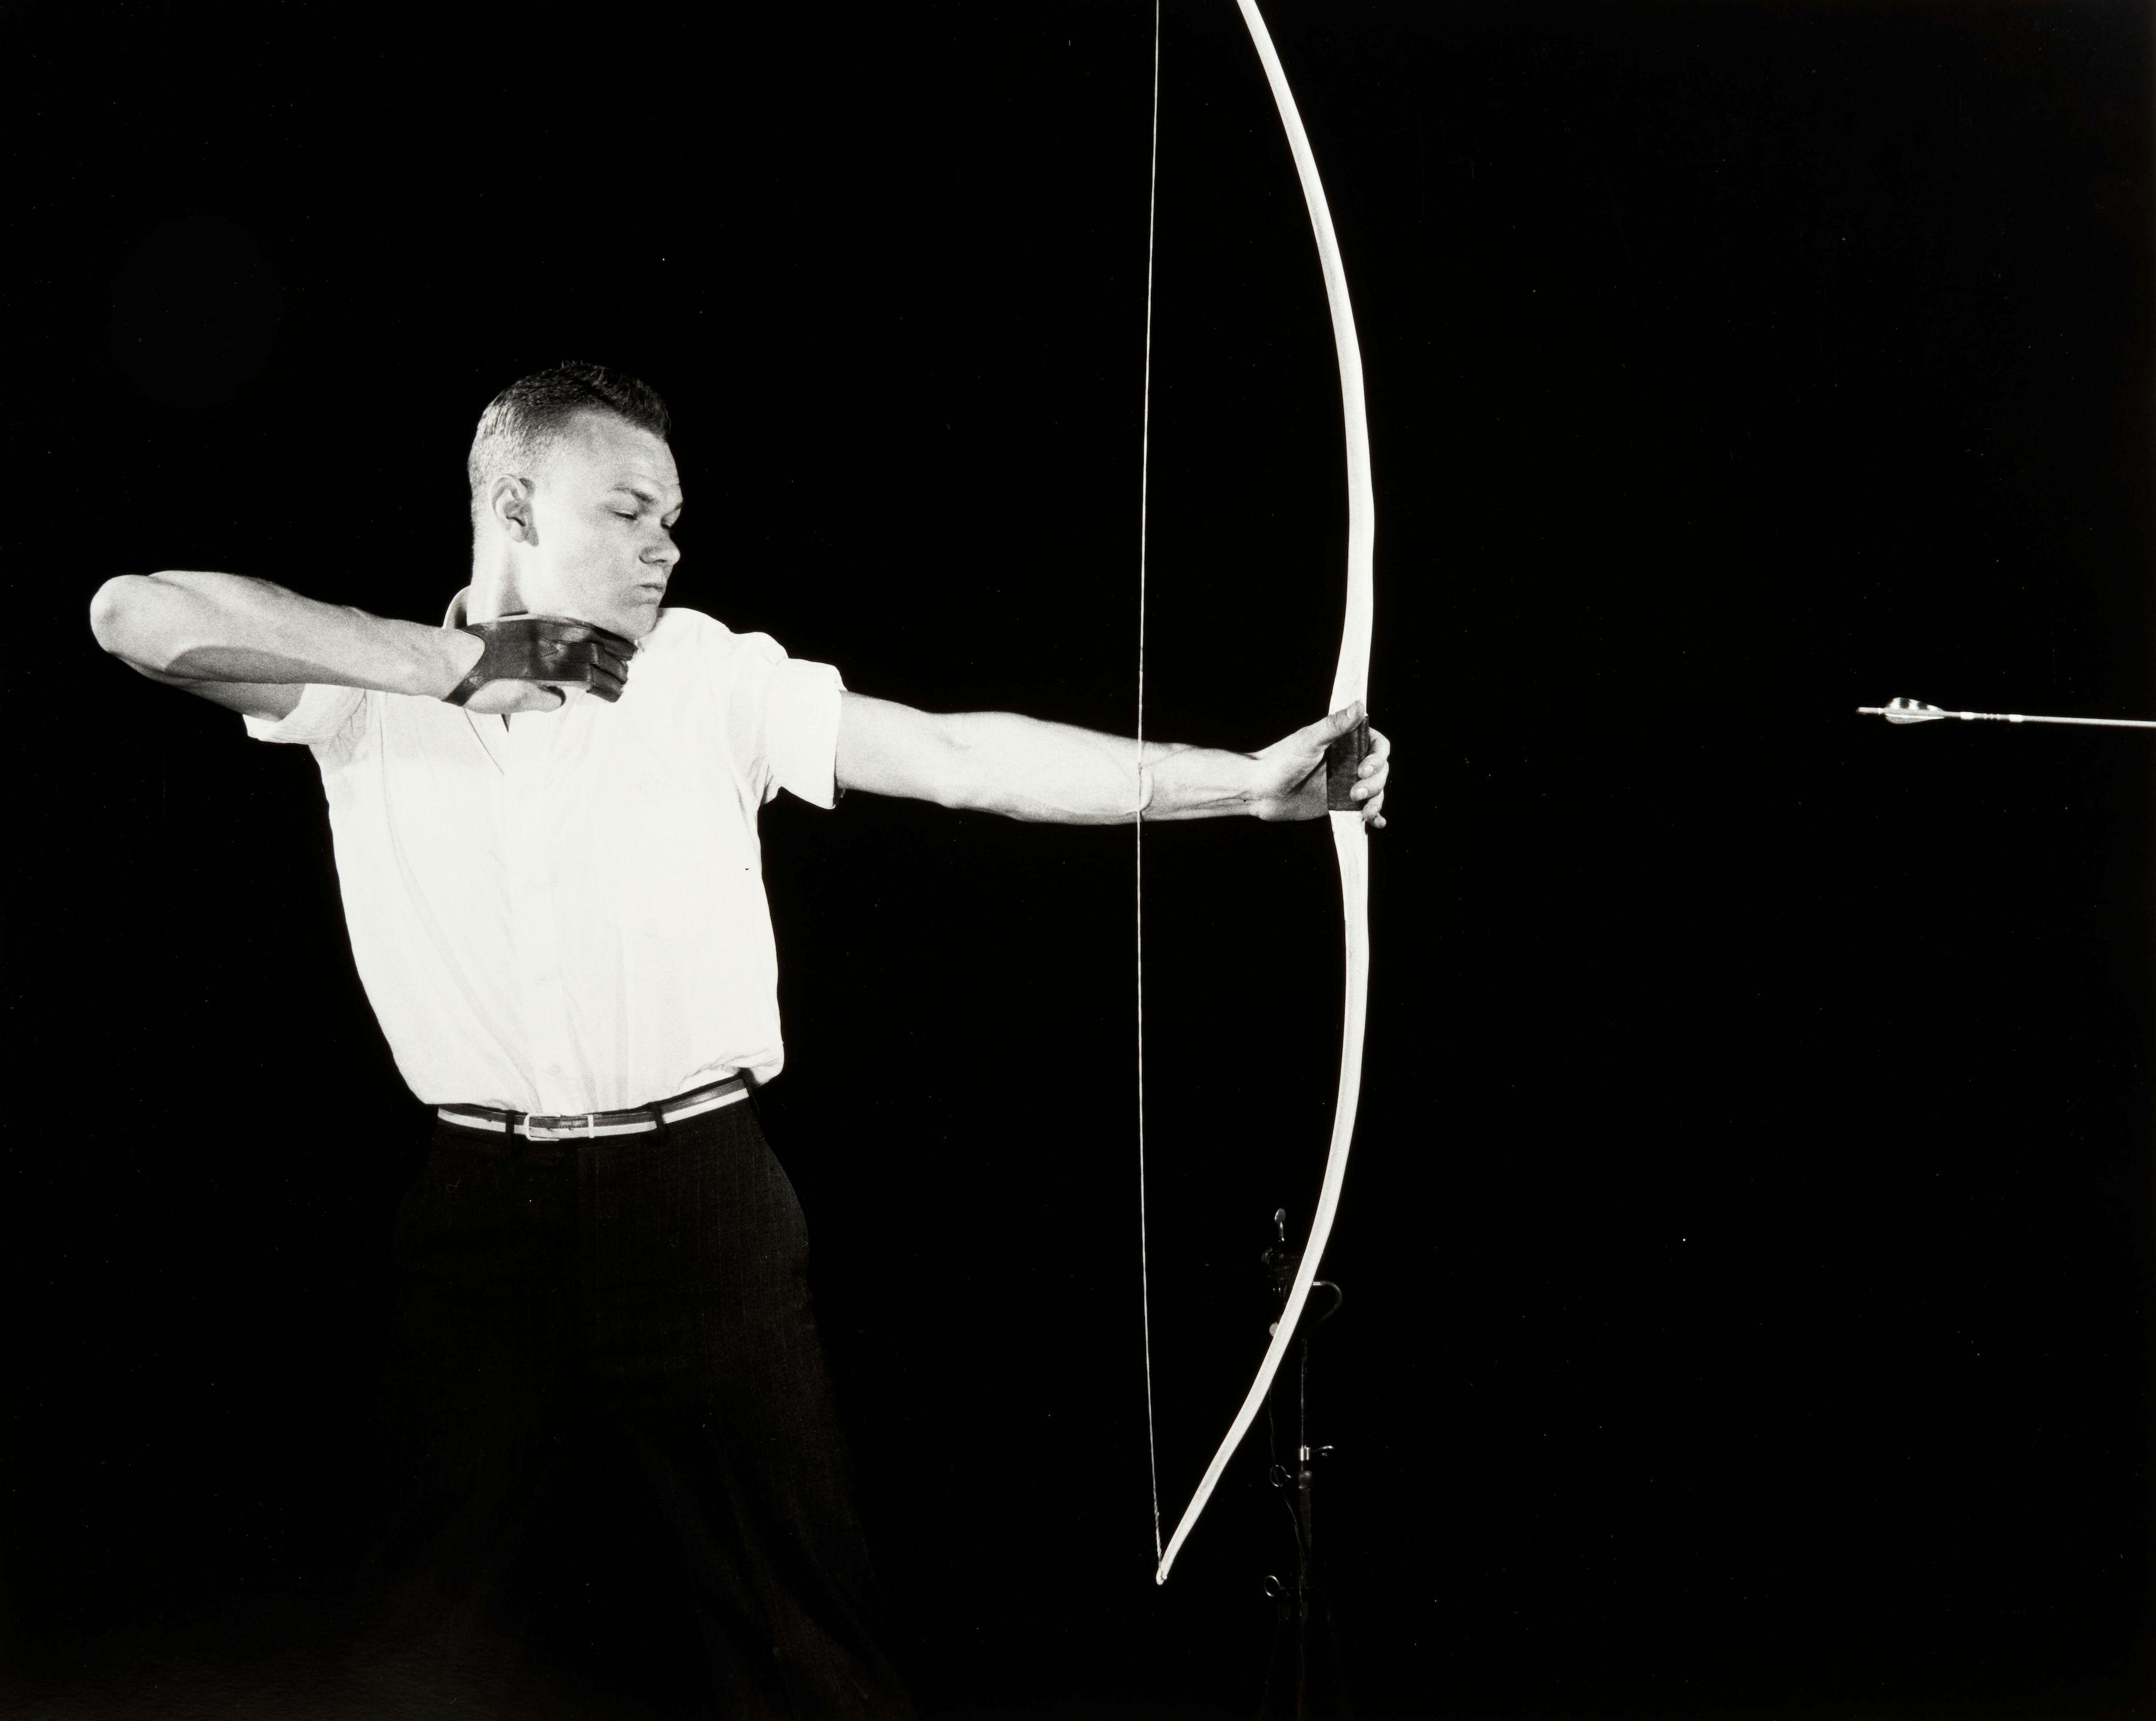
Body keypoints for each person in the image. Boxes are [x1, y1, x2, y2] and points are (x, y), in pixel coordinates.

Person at [87, 360, 1392, 1718]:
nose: (667, 544)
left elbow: (959, 760)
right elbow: (132, 615)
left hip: (697, 1205)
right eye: (630, 510)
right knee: (425, 1630)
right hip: (477, 1217)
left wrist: (1239, 788)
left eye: (674, 516)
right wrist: (468, 664)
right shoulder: (356, 686)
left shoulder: (703, 676)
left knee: (804, 1638)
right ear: (516, 502)